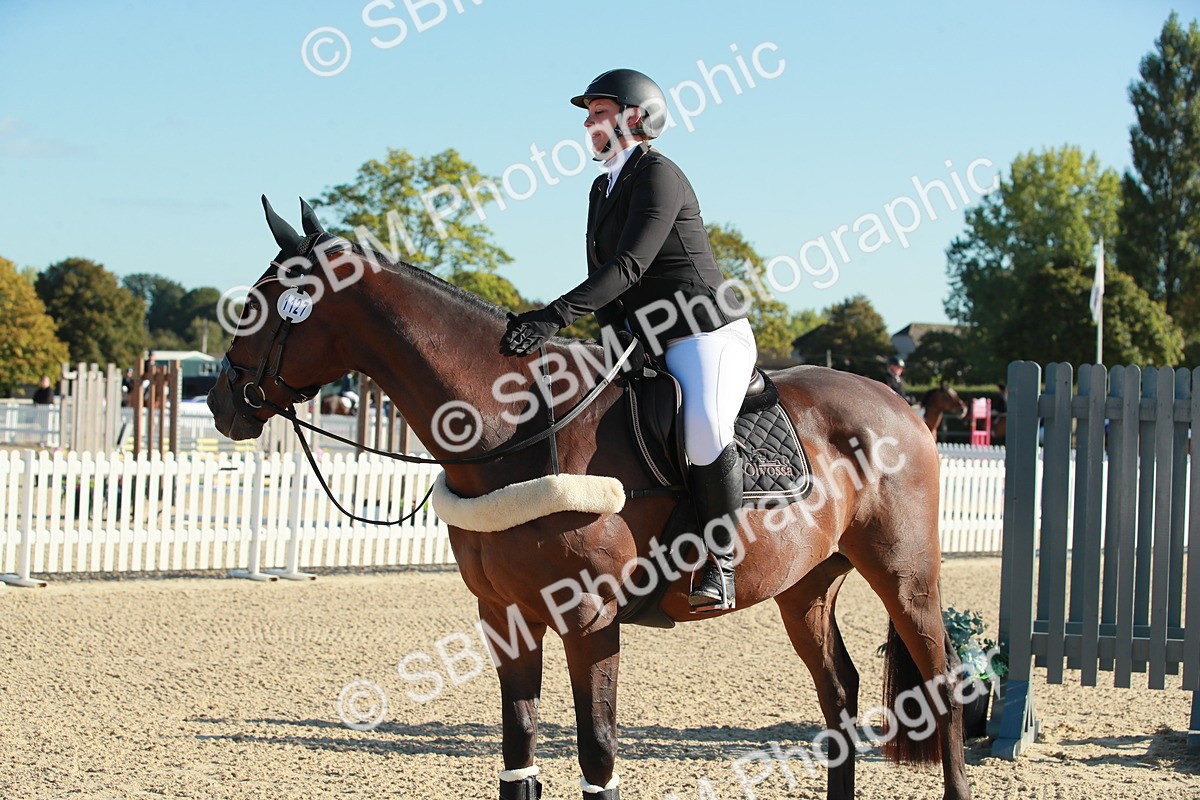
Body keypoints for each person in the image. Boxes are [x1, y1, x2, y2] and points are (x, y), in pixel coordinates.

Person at [499, 68, 757, 611]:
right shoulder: (602, 187)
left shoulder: (660, 175)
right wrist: (605, 341)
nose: (590, 125)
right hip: (645, 338)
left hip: (704, 330)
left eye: (600, 114)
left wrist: (556, 315)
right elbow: (609, 284)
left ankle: (722, 560)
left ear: (635, 118)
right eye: (589, 117)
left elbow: (631, 266)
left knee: (706, 426)